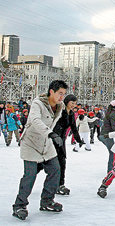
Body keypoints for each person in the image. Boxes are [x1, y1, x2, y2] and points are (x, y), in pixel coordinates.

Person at [12, 80, 68, 220]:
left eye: (64, 94)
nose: (62, 97)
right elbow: (35, 120)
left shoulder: (60, 106)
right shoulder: (38, 103)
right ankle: (19, 205)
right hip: (31, 143)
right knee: (30, 175)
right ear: (51, 92)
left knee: (55, 170)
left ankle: (47, 201)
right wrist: (51, 134)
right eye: (60, 93)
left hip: (46, 144)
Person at [52, 94, 83, 195]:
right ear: (67, 102)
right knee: (44, 164)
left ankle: (60, 185)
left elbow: (74, 128)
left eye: (75, 103)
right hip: (53, 140)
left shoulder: (71, 114)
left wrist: (78, 140)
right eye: (72, 103)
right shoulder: (60, 110)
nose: (74, 105)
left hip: (61, 141)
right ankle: (30, 181)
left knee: (62, 163)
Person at [99, 100, 115, 173]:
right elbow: (114, 126)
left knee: (113, 151)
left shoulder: (109, 113)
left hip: (103, 135)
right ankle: (111, 170)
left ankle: (113, 169)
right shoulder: (113, 114)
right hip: (106, 136)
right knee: (113, 152)